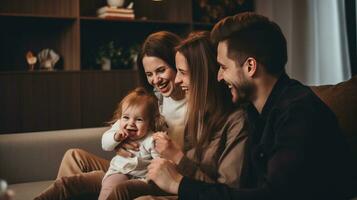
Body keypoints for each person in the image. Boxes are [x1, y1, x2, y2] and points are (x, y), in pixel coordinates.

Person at [144, 12, 357, 200]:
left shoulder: (298, 113)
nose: (218, 77)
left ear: (250, 67)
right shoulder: (254, 112)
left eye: (223, 67)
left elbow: (272, 196)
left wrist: (178, 184)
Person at [34, 31, 187, 200]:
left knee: (119, 187)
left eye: (161, 70)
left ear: (179, 64)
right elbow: (123, 125)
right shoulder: (155, 99)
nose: (156, 81)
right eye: (149, 74)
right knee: (73, 156)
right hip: (129, 165)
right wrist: (118, 141)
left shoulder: (194, 106)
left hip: (151, 173)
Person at [132, 31, 248, 200]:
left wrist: (177, 159)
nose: (178, 80)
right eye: (149, 74)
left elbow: (225, 193)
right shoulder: (198, 112)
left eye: (182, 72)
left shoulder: (237, 121)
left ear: (203, 74)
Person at [98, 87, 168, 200]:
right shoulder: (118, 128)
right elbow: (105, 145)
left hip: (143, 177)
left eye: (139, 119)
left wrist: (151, 179)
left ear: (150, 122)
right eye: (126, 117)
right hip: (119, 170)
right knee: (110, 189)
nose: (131, 123)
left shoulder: (151, 139)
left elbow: (158, 162)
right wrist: (115, 138)